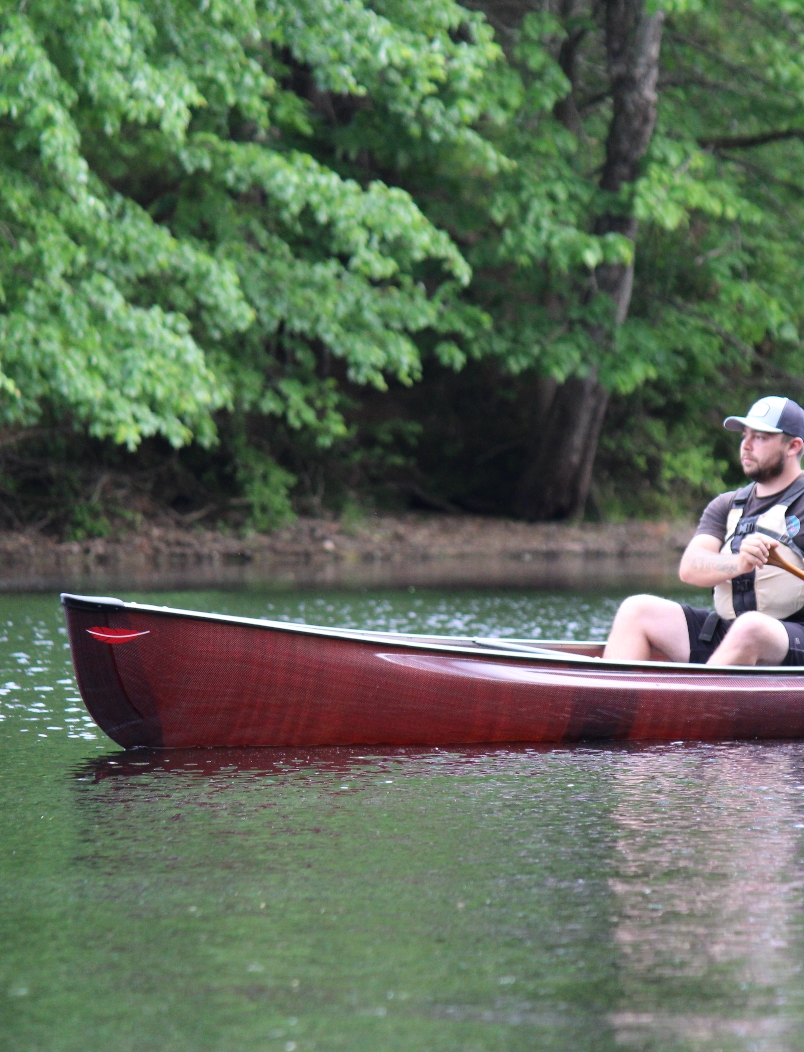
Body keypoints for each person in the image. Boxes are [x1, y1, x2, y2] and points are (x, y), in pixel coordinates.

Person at [604, 396, 804, 666]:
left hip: (792, 637)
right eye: (745, 435)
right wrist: (739, 562)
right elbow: (690, 569)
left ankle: (692, 704)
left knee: (751, 626)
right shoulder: (726, 505)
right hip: (731, 631)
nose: (746, 445)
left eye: (760, 437)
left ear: (793, 446)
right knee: (635, 610)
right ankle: (618, 706)